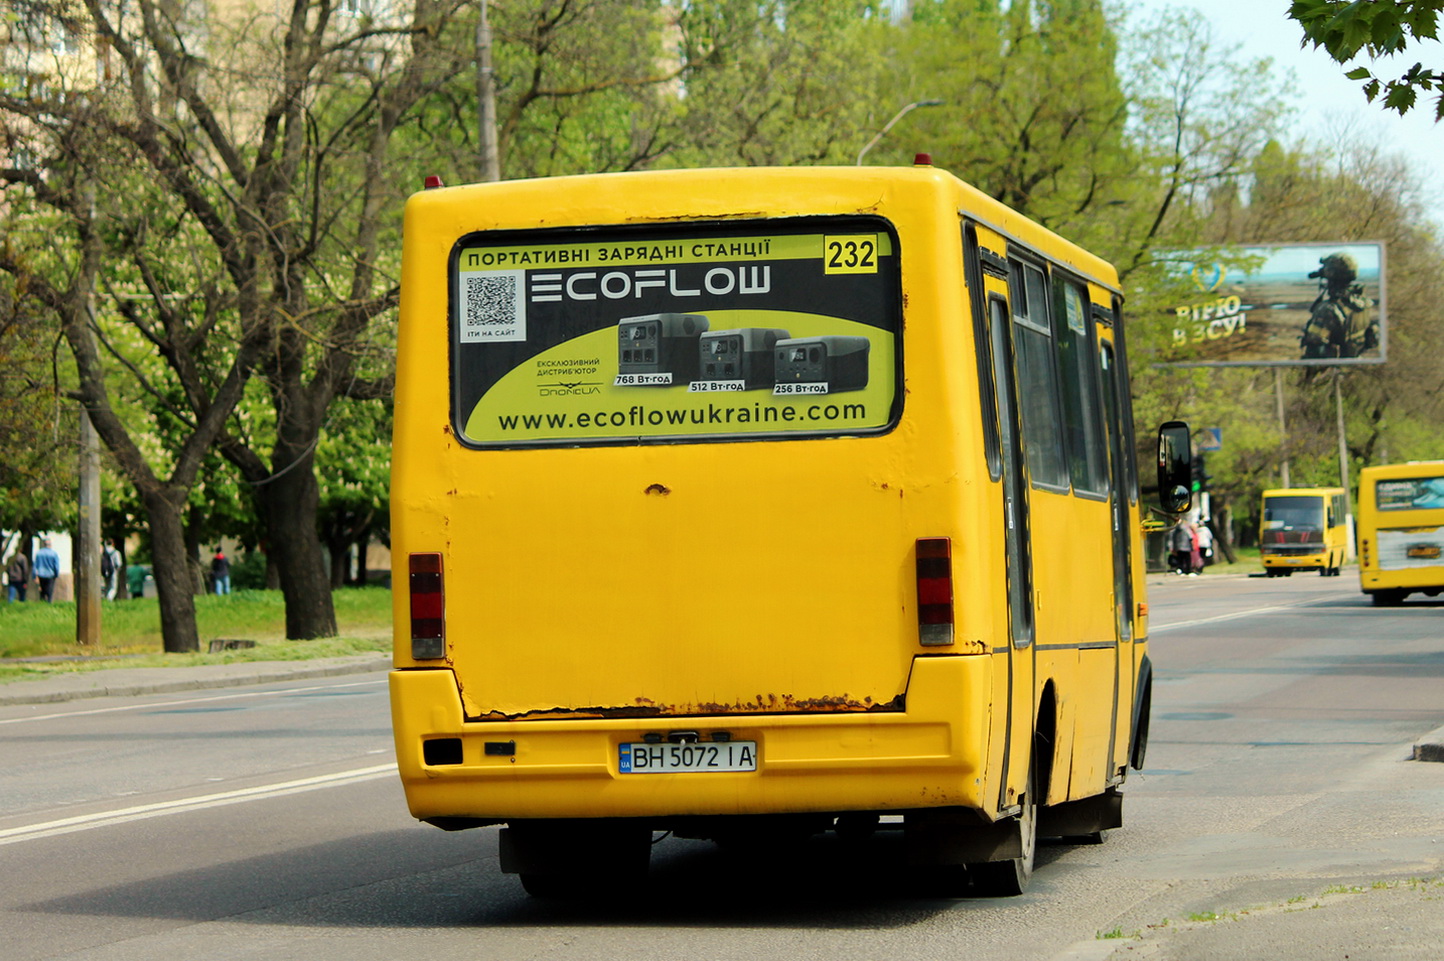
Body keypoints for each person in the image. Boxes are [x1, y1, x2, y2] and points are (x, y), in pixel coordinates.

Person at [1300, 253, 1378, 359]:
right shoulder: (1362, 302)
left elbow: (1315, 346)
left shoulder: (1328, 309)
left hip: (1333, 369)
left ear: (1331, 274)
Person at [33, 538, 61, 603]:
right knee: (50, 590)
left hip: (41, 574)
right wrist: (56, 574)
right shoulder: (54, 554)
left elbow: (35, 565)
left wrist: (34, 575)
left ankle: (42, 603)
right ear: (50, 545)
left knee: (42, 590)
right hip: (50, 574)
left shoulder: (39, 553)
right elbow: (56, 566)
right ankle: (49, 603)